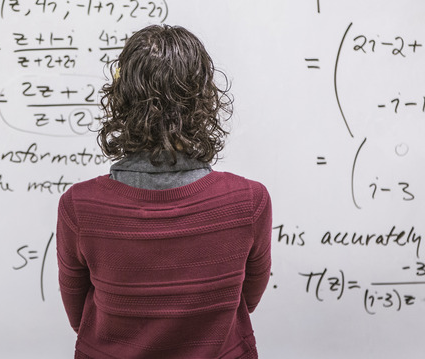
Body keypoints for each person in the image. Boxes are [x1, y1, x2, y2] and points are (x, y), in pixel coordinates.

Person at [56, 24, 272, 358]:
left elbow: (79, 317)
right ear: (204, 99)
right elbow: (248, 300)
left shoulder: (79, 207)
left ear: (121, 98)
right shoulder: (248, 202)